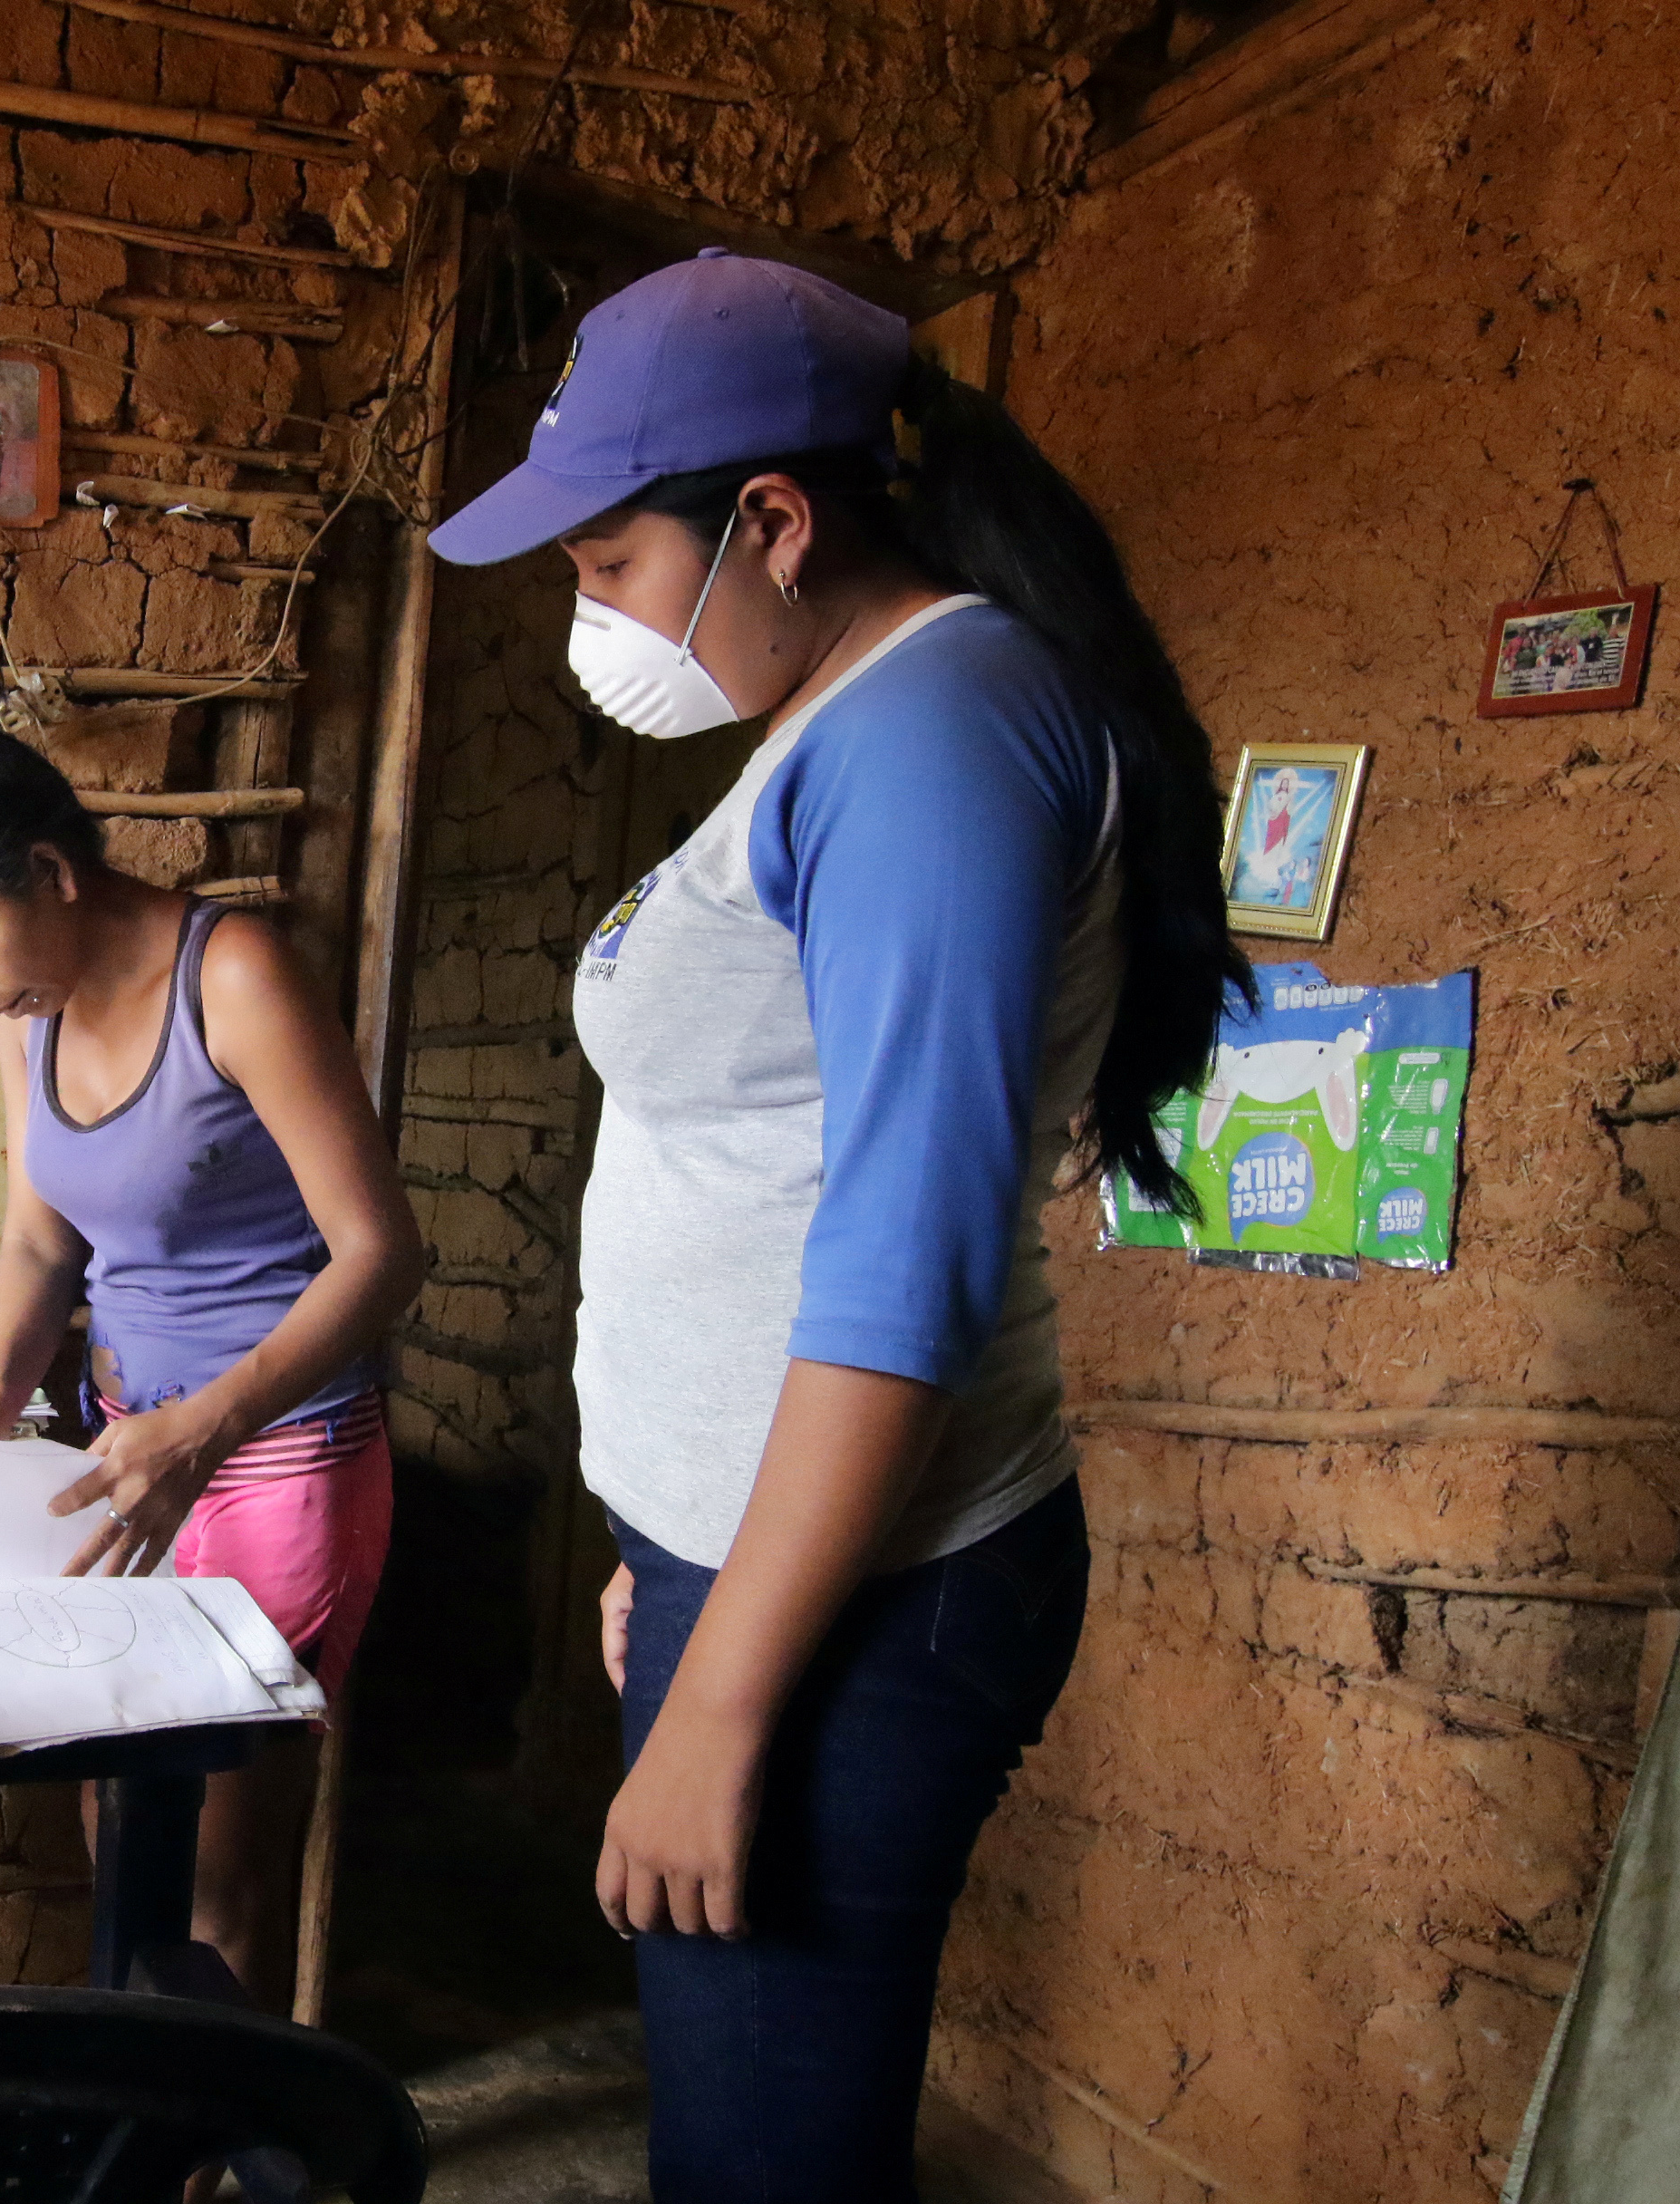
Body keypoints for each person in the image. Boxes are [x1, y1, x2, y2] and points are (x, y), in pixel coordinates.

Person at [427, 248, 1249, 2200]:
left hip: (863, 1594)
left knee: (765, 2155)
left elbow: (910, 1258)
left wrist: (726, 1692)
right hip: (769, 1555)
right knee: (745, 2119)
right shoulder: (849, 722)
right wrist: (669, 1541)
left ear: (773, 521)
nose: (592, 618)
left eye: (610, 564)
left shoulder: (934, 729)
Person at [0, 656, 425, 2009]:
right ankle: (145, 2130)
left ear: (51, 872)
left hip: (277, 1465)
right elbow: (47, 1237)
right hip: (129, 1455)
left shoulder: (235, 976)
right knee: (119, 1837)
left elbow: (382, 1253)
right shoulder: (28, 1012)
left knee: (216, 1864)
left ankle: (200, 2160)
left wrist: (208, 1426)